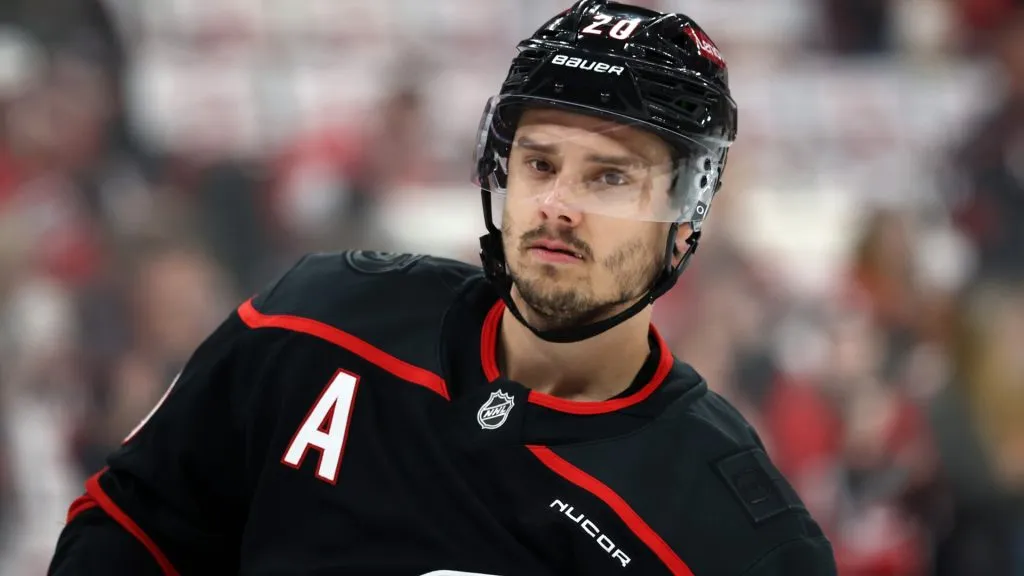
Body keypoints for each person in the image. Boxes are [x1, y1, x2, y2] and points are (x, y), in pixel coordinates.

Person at [48, 1, 837, 574]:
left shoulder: (739, 541)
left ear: (685, 219)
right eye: (539, 164)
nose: (558, 204)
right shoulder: (318, 321)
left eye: (609, 177)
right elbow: (131, 523)